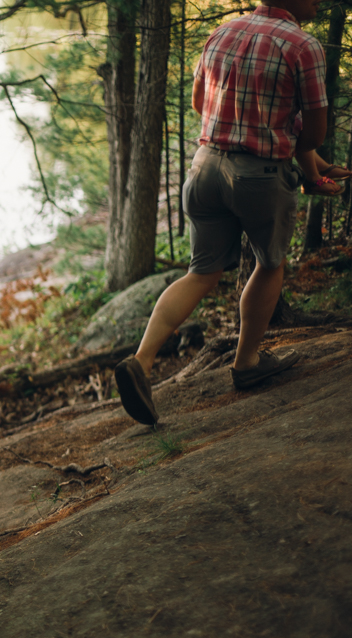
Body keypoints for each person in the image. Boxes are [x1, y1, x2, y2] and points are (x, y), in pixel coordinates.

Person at [113, 0, 344, 426]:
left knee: (200, 273)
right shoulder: (303, 46)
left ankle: (141, 362)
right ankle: (246, 363)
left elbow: (202, 103)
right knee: (269, 262)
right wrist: (309, 161)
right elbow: (313, 131)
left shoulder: (224, 31)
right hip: (260, 174)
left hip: (205, 167)